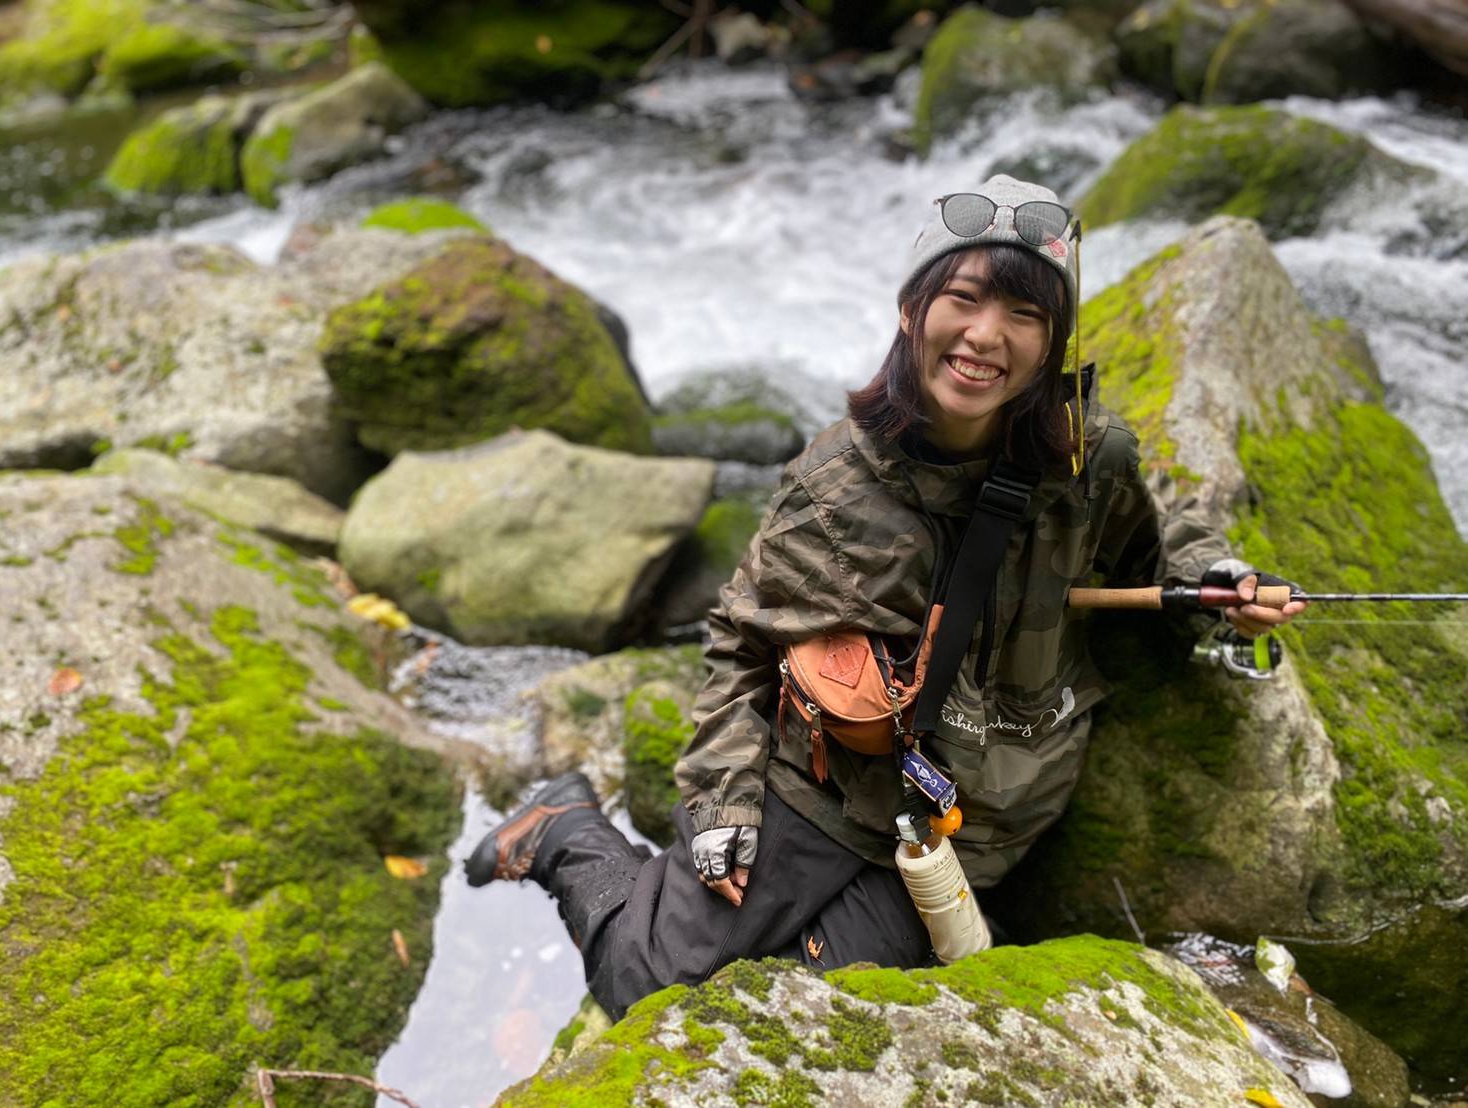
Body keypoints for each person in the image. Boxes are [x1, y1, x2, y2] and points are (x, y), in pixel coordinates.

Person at [464, 175, 1306, 1020]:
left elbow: (1155, 551)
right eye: (964, 300)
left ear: (1051, 344)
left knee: (817, 1007)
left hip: (964, 823)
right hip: (819, 793)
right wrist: (724, 801)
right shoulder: (833, 489)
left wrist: (1220, 586)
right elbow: (740, 644)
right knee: (648, 989)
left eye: (1024, 315)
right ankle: (565, 830)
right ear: (912, 309)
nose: (986, 336)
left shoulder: (1088, 463)